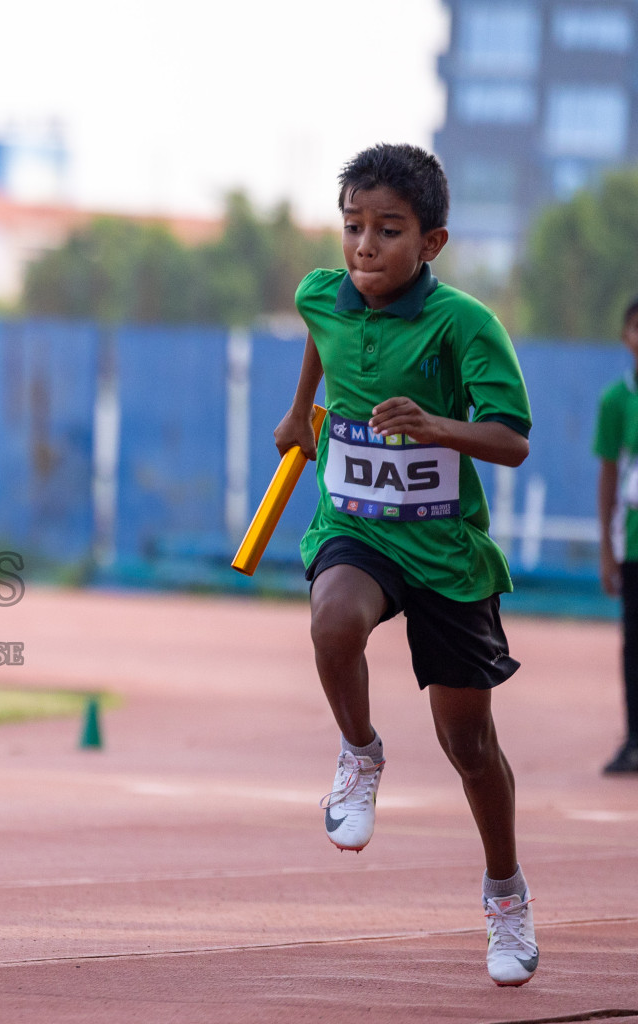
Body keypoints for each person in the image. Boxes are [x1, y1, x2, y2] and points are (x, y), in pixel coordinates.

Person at [273, 143, 539, 986]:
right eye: (354, 227)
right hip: (356, 527)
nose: (364, 247)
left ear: (432, 242)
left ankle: (505, 891)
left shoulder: (465, 325)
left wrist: (437, 427)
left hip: (446, 551)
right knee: (332, 619)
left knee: (469, 744)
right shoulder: (321, 294)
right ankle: (360, 751)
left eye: (388, 231)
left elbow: (513, 440)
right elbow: (321, 336)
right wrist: (296, 415)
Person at [593, 297, 638, 774]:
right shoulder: (616, 401)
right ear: (626, 336)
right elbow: (609, 476)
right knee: (633, 644)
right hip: (634, 542)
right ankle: (634, 740)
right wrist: (606, 548)